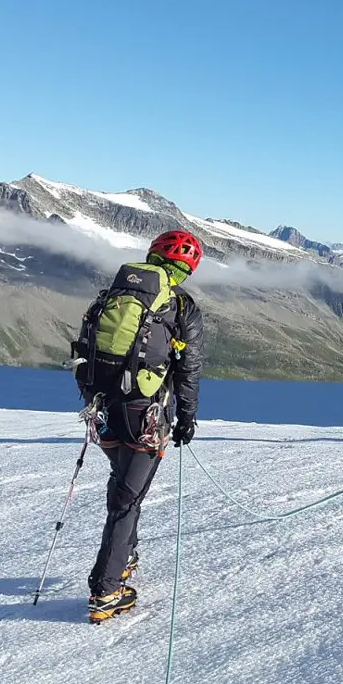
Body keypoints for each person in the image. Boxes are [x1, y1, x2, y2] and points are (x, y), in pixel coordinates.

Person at [74, 230, 205, 623]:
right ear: (188, 268)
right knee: (126, 500)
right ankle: (106, 591)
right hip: (144, 413)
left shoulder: (112, 294)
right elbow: (189, 369)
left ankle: (124, 556)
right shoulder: (180, 306)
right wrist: (186, 416)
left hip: (101, 407)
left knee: (122, 483)